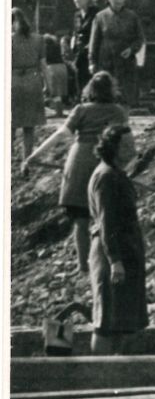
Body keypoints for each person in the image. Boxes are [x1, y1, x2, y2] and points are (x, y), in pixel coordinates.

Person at [22, 71, 128, 278]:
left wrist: (33, 155)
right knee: (106, 215)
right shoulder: (118, 111)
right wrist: (123, 167)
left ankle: (83, 267)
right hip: (106, 162)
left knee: (80, 218)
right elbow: (125, 142)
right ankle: (108, 262)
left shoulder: (81, 110)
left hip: (79, 162)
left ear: (90, 89)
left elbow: (61, 134)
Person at [87, 123, 149, 355]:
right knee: (107, 322)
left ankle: (120, 374)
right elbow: (107, 222)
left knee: (125, 322)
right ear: (113, 147)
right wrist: (115, 261)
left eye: (133, 143)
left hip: (126, 253)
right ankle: (100, 378)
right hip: (113, 254)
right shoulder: (106, 177)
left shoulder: (114, 174)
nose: (132, 149)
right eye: (127, 145)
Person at [89, 0, 146, 107]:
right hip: (106, 62)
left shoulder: (132, 17)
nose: (119, 1)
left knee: (125, 97)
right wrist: (92, 62)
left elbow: (140, 38)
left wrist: (131, 49)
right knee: (106, 95)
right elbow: (94, 41)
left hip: (125, 62)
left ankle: (123, 122)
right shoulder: (100, 17)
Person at [11, 7, 47, 161]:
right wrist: (47, 83)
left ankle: (9, 157)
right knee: (29, 125)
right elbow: (43, 64)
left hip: (12, 80)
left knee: (9, 123)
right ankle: (28, 158)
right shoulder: (38, 39)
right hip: (33, 81)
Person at [71, 0, 99, 90]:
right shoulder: (77, 15)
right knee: (79, 79)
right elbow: (76, 31)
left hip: (92, 51)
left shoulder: (96, 13)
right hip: (79, 52)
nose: (76, 0)